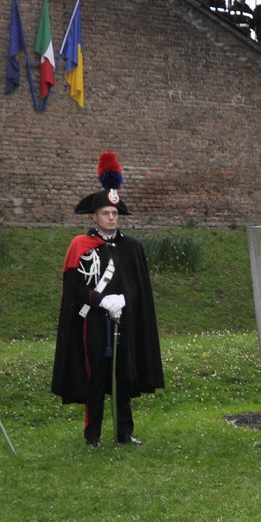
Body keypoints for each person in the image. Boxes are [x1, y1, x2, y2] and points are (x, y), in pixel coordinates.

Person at [51, 152, 165, 448]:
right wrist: (101, 300)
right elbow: (75, 287)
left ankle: (124, 432)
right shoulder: (81, 245)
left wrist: (125, 301)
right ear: (95, 216)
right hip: (94, 323)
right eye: (106, 213)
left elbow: (138, 286)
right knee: (96, 376)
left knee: (124, 375)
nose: (111, 218)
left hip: (123, 322)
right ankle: (93, 435)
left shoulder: (132, 247)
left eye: (115, 213)